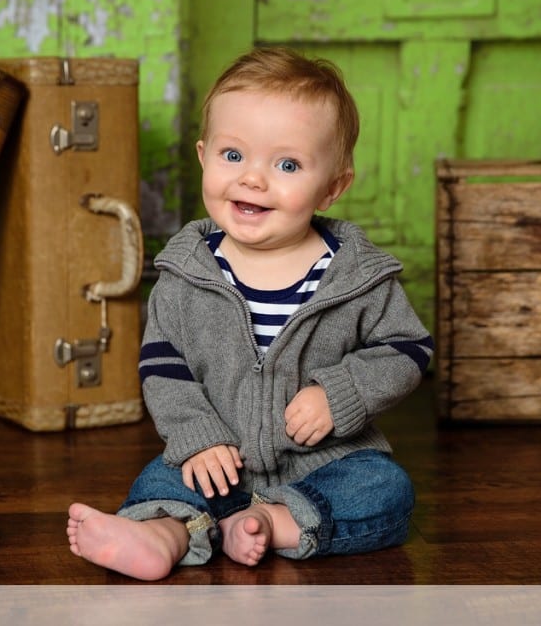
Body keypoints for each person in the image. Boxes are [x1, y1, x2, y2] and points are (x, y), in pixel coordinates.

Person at [67, 46, 433, 581]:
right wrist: (197, 436)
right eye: (232, 155)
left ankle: (273, 522)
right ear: (202, 155)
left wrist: (342, 393)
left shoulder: (356, 276)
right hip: (221, 458)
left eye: (287, 164)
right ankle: (161, 535)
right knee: (164, 479)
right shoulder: (188, 274)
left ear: (333, 186)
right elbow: (164, 366)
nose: (252, 179)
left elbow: (406, 349)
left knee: (387, 490)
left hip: (327, 460)